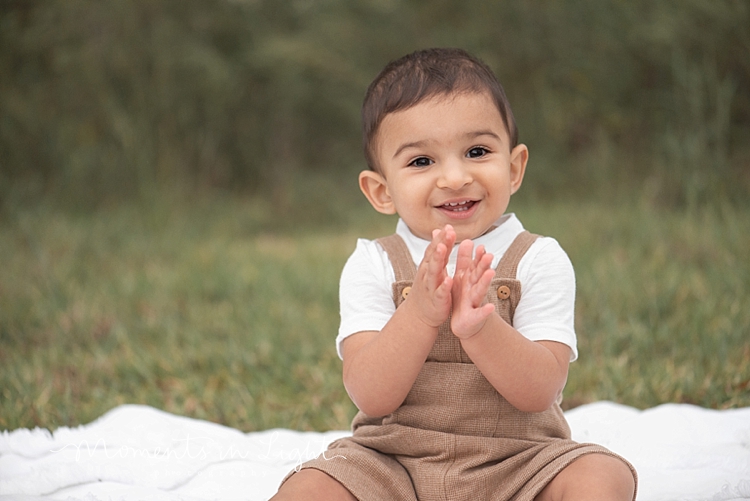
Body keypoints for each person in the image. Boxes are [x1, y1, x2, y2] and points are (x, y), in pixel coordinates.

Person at [271, 48, 637, 501]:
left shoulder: (539, 258)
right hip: (391, 464)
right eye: (421, 161)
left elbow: (541, 389)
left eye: (477, 151)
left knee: (602, 476)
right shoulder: (375, 263)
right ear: (381, 191)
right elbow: (369, 394)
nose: (454, 176)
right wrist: (420, 315)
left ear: (515, 166)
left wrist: (481, 328)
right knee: (310, 486)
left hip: (519, 462)